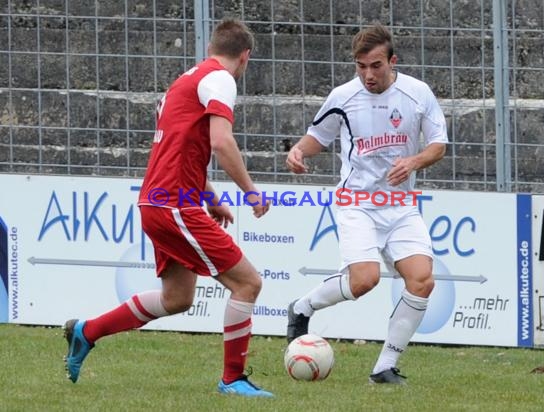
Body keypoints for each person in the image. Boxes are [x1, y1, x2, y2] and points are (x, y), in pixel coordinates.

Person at [64, 19, 274, 398]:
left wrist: (209, 197)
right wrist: (251, 192)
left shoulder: (183, 82)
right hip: (174, 203)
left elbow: (180, 149)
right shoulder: (221, 80)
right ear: (245, 56)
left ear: (213, 47)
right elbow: (221, 142)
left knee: (177, 298)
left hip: (158, 200)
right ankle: (233, 379)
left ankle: (87, 331)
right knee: (248, 283)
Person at [285, 24, 448, 385]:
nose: (368, 75)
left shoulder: (417, 94)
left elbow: (438, 143)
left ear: (393, 61)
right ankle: (303, 307)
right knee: (365, 280)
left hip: (401, 204)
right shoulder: (344, 96)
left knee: (422, 281)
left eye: (375, 66)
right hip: (357, 202)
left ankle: (384, 367)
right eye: (361, 66)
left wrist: (414, 161)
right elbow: (318, 136)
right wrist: (297, 151)